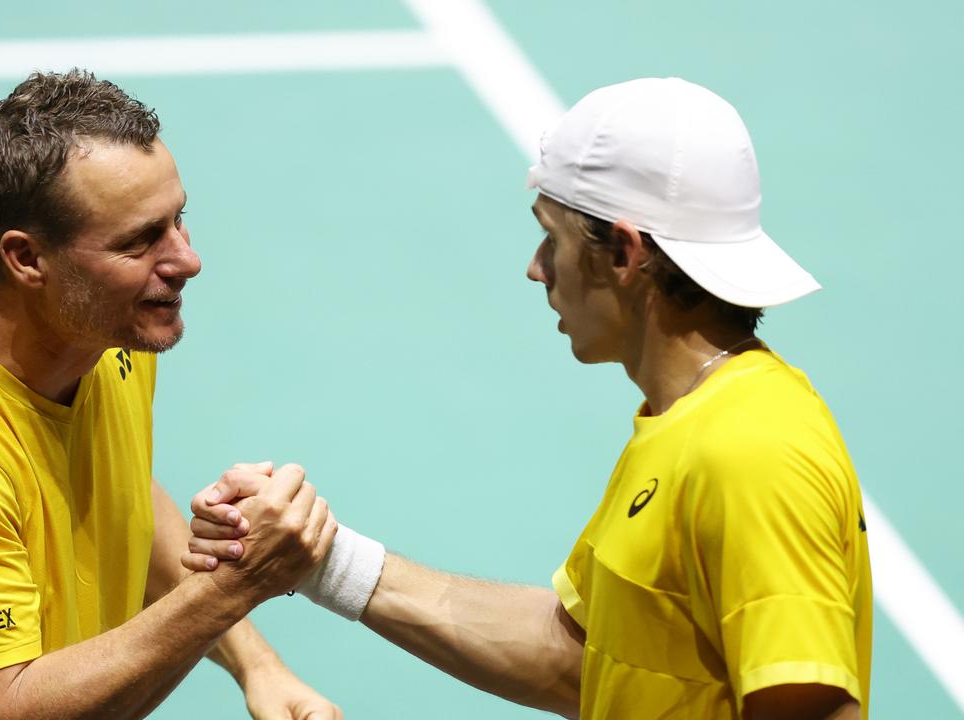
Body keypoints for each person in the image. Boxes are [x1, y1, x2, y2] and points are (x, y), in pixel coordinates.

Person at [186, 77, 872, 719]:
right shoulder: (688, 422)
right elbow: (580, 659)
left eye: (553, 236)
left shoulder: (750, 453)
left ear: (626, 254)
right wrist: (322, 558)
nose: (536, 267)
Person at [0, 69, 341, 720]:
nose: (187, 260)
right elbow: (1, 710)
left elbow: (120, 491)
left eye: (178, 219)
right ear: (27, 259)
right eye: (139, 240)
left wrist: (258, 667)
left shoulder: (105, 334)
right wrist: (229, 591)